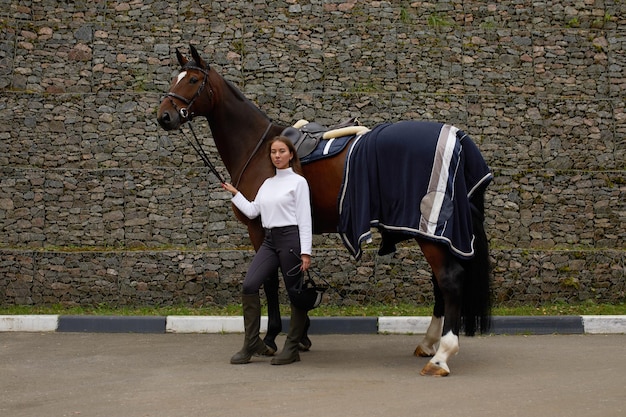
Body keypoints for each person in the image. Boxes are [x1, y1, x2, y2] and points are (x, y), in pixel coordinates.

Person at [222, 136, 313, 365]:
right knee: (249, 285)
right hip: (270, 241)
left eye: (282, 151)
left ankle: (292, 347)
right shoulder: (267, 183)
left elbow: (304, 218)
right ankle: (252, 343)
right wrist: (235, 193)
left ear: (290, 154)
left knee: (295, 294)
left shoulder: (298, 182)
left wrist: (306, 252)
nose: (277, 156)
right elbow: (253, 212)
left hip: (291, 239)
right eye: (273, 152)